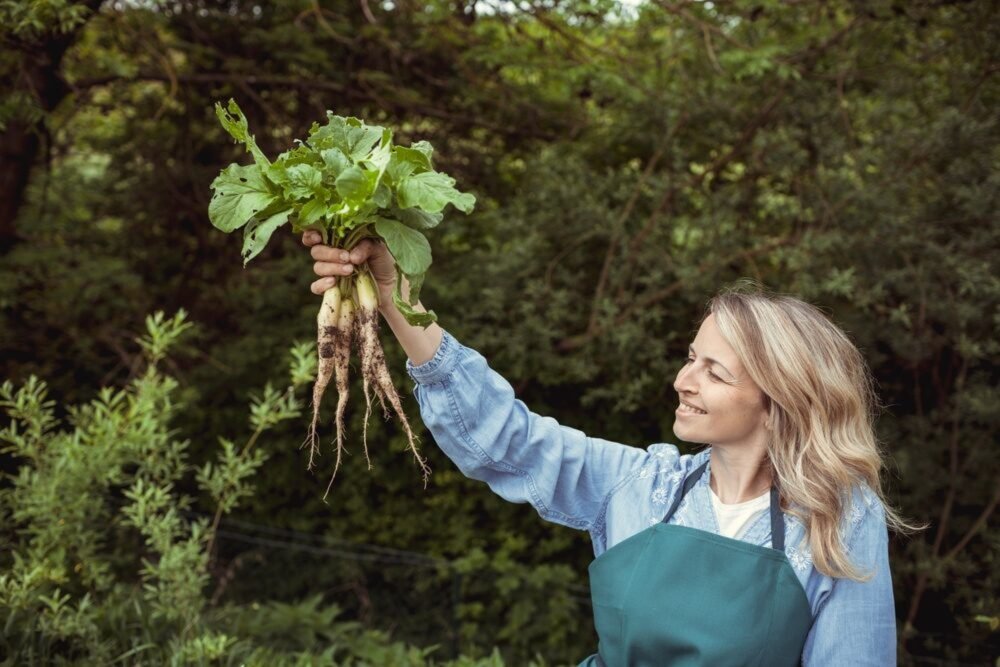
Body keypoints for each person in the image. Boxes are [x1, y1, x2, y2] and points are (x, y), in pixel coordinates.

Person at [304, 232, 921, 666]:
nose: (683, 380)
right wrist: (394, 296)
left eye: (715, 371)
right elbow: (505, 438)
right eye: (689, 358)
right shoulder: (640, 486)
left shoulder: (839, 518)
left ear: (778, 398)